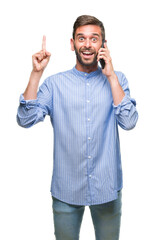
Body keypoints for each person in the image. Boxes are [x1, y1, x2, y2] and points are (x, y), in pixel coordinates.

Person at [17, 15, 138, 240]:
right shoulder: (54, 84)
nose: (87, 44)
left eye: (94, 39)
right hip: (67, 189)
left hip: (107, 188)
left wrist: (110, 75)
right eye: (81, 38)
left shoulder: (118, 79)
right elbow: (25, 119)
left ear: (103, 45)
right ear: (73, 44)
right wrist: (36, 73)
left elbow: (129, 122)